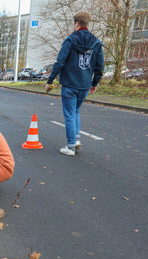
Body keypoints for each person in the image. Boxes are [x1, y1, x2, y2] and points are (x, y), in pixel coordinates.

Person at [45, 11, 104, 156]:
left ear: (77, 24)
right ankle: (76, 141)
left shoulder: (70, 40)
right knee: (76, 111)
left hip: (70, 84)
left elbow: (60, 62)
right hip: (84, 85)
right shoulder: (96, 43)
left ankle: (71, 147)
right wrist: (94, 83)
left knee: (70, 114)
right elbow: (99, 66)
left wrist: (50, 80)